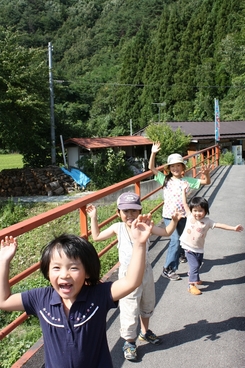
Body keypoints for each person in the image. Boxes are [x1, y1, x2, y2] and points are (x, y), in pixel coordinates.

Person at [0, 215, 153, 368]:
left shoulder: (98, 295)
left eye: (73, 268)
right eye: (56, 268)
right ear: (47, 272)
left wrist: (139, 243)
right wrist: (3, 261)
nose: (64, 274)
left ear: (87, 272)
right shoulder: (40, 298)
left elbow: (132, 281)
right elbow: (4, 301)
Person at [86, 191, 182, 362]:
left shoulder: (146, 227)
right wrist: (93, 217)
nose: (130, 215)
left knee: (147, 302)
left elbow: (167, 232)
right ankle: (129, 341)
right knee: (129, 308)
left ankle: (145, 332)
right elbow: (97, 236)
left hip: (146, 271)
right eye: (125, 211)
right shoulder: (118, 228)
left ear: (140, 211)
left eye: (133, 211)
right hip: (127, 275)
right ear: (118, 213)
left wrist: (174, 221)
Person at [148, 141, 211, 281]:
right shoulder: (165, 180)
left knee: (184, 238)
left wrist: (206, 174)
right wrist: (153, 152)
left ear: (182, 167)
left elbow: (206, 182)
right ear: (169, 168)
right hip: (169, 216)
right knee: (175, 240)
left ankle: (182, 254)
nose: (175, 168)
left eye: (178, 165)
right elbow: (151, 167)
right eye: (172, 166)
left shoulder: (187, 180)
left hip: (184, 215)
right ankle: (168, 269)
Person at [180, 195, 243, 295]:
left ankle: (195, 278)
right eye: (195, 210)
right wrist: (183, 191)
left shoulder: (207, 221)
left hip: (199, 248)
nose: (197, 213)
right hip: (187, 246)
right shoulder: (189, 216)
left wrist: (233, 228)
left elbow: (219, 225)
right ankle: (191, 285)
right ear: (192, 210)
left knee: (198, 264)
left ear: (206, 211)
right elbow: (184, 204)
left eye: (200, 210)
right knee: (194, 265)